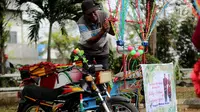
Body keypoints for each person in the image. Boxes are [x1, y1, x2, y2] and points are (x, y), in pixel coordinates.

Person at [77, 0, 115, 70]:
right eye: (89, 14)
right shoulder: (81, 22)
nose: (93, 15)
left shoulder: (104, 15)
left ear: (96, 9)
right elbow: (90, 41)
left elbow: (113, 33)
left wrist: (112, 25)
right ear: (84, 14)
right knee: (88, 73)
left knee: (104, 72)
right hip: (87, 50)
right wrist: (103, 30)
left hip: (102, 48)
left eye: (94, 12)